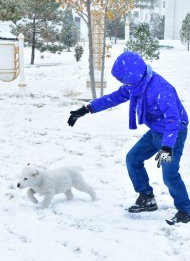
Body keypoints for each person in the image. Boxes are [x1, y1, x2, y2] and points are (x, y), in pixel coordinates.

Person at [67, 51, 190, 225]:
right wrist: (87, 109)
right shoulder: (136, 85)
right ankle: (146, 197)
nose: (123, 83)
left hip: (173, 134)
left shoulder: (161, 88)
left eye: (124, 79)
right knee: (133, 158)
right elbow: (114, 98)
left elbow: (174, 120)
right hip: (156, 131)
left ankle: (185, 210)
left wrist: (167, 147)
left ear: (134, 74)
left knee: (169, 175)